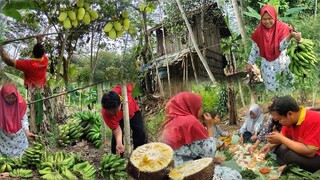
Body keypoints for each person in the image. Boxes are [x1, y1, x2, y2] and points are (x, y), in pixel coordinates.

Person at [160, 92, 241, 179]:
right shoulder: (190, 122)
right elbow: (209, 153)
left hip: (173, 170)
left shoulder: (170, 123)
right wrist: (210, 127)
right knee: (234, 176)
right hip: (186, 171)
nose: (202, 109)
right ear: (191, 106)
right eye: (200, 106)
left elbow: (191, 149)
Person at [246, 5, 302, 91]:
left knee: (286, 90)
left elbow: (280, 47)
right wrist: (250, 62)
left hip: (283, 64)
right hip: (268, 67)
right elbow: (255, 48)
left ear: (275, 17)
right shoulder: (259, 31)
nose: (267, 22)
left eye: (270, 18)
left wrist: (291, 36)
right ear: (261, 19)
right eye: (264, 19)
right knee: (272, 93)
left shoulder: (283, 28)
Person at [260, 96, 320, 173]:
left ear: (290, 114)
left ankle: (289, 165)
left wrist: (281, 139)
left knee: (290, 156)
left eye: (280, 119)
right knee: (280, 149)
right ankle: (290, 165)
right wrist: (267, 147)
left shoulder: (314, 119)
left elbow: (310, 152)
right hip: (302, 151)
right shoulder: (290, 122)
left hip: (316, 156)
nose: (279, 122)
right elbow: (282, 136)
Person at [101, 83, 146, 155]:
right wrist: (119, 143)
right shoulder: (105, 113)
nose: (112, 113)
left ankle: (138, 155)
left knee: (140, 133)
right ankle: (116, 159)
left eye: (114, 111)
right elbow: (116, 128)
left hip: (133, 112)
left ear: (120, 103)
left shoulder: (123, 88)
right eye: (110, 112)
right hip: (118, 120)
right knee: (116, 141)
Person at [0, 82, 37, 158]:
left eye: (13, 97)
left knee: (21, 156)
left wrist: (27, 133)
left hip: (18, 135)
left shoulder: (21, 103)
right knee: (4, 157)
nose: (11, 100)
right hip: (3, 135)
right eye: (8, 97)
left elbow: (23, 119)